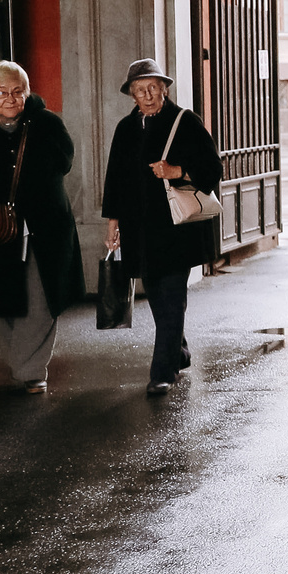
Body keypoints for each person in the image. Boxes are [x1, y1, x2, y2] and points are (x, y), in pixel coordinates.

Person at [0, 60, 81, 394]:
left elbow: (65, 161)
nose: (10, 98)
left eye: (17, 91)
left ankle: (32, 369)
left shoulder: (47, 123)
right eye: (1, 92)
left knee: (41, 298)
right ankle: (22, 361)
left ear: (28, 91)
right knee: (0, 301)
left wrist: (36, 133)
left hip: (45, 226)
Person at [101, 57, 220, 395]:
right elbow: (116, 181)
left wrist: (177, 171)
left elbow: (213, 169)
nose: (148, 94)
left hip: (176, 229)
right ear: (132, 95)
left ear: (165, 88)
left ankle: (162, 372)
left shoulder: (186, 122)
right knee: (158, 296)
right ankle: (178, 350)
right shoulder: (126, 129)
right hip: (139, 230)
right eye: (140, 90)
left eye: (153, 87)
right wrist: (113, 224)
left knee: (170, 294)